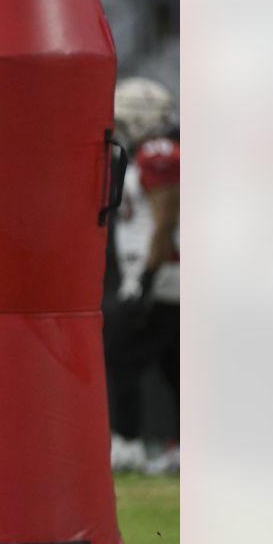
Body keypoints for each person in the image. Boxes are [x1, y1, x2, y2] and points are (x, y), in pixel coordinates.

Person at [106, 77, 180, 474]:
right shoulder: (147, 154)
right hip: (166, 276)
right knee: (174, 363)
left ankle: (128, 441)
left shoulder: (159, 153)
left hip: (165, 278)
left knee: (120, 352)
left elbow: (165, 219)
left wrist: (146, 279)